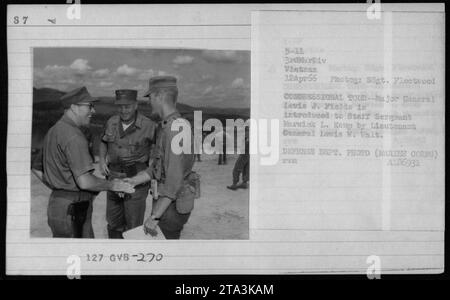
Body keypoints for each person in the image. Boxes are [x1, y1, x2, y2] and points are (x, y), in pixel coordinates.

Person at [34, 86, 135, 238]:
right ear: (74, 107)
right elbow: (85, 182)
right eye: (89, 106)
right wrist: (113, 185)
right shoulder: (74, 136)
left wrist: (59, 187)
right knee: (82, 255)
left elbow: (36, 168)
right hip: (75, 210)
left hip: (58, 206)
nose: (93, 111)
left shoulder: (54, 131)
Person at [125, 76, 196, 239]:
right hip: (166, 203)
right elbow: (159, 166)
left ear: (159, 96)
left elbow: (174, 179)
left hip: (169, 208)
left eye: (150, 97)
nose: (149, 102)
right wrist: (135, 180)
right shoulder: (169, 125)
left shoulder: (175, 128)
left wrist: (155, 216)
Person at [98, 89, 157, 239]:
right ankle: (116, 255)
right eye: (120, 106)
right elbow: (103, 142)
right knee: (113, 222)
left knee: (133, 225)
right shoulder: (111, 122)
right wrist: (102, 159)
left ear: (136, 105)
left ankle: (131, 257)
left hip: (136, 181)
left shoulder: (148, 125)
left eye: (127, 106)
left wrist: (152, 171)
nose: (123, 110)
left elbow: (159, 152)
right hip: (113, 179)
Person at [227, 126, 249, 190]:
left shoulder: (246, 134)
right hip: (250, 154)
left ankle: (234, 184)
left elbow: (246, 144)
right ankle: (244, 183)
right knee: (246, 168)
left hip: (245, 154)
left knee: (236, 169)